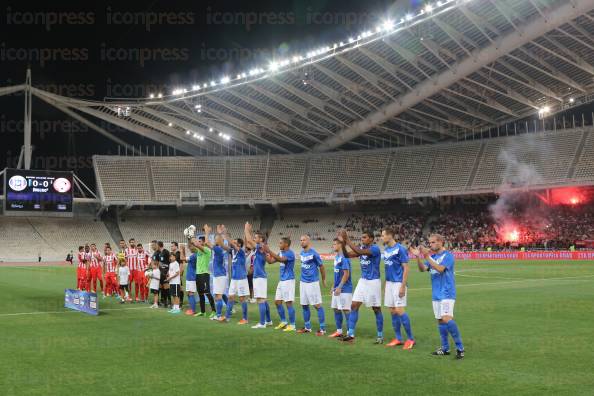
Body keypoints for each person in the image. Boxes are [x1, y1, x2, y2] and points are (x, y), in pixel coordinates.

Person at [411, 234, 465, 359]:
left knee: (447, 319)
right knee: (440, 320)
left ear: (441, 242)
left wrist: (426, 256)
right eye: (429, 243)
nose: (430, 245)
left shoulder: (448, 256)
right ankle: (445, 348)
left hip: (447, 292)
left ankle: (460, 347)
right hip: (436, 293)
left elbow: (440, 269)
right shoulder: (433, 256)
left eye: (433, 242)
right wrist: (418, 257)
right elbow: (422, 269)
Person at [338, 230, 384, 344]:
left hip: (373, 281)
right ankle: (351, 334)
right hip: (363, 281)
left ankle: (380, 336)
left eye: (364, 237)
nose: (362, 239)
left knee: (376, 309)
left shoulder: (375, 249)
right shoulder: (362, 247)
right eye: (362, 237)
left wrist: (347, 240)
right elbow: (347, 255)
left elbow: (359, 251)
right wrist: (343, 244)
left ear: (371, 239)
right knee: (354, 305)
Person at [381, 228, 415, 349]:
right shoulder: (386, 250)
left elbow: (406, 268)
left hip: (398, 283)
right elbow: (387, 269)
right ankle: (398, 338)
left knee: (400, 310)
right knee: (392, 310)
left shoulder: (400, 249)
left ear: (390, 236)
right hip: (390, 283)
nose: (381, 237)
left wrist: (402, 286)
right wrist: (385, 285)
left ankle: (411, 339)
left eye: (383, 235)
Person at [263, 237, 296, 331]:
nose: (279, 244)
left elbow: (281, 260)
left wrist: (269, 250)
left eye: (280, 243)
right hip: (282, 281)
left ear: (286, 244)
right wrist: (264, 252)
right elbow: (270, 261)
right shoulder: (281, 253)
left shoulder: (290, 253)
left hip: (288, 280)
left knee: (288, 303)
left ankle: (292, 325)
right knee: (277, 302)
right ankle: (284, 322)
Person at [296, 235, 326, 335]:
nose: (301, 242)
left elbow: (321, 266)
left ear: (308, 241)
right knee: (304, 305)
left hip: (312, 282)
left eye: (303, 240)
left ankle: (323, 329)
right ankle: (307, 327)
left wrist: (323, 279)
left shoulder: (314, 253)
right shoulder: (301, 253)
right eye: (300, 240)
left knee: (317, 305)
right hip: (303, 282)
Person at [244, 222, 272, 329]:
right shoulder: (259, 248)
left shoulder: (261, 246)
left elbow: (250, 241)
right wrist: (249, 232)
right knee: (263, 299)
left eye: (256, 237)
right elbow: (249, 242)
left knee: (260, 300)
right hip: (259, 276)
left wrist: (246, 229)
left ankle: (262, 323)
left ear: (261, 239)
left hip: (259, 277)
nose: (254, 239)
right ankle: (268, 320)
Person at [204, 225, 230, 321]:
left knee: (218, 296)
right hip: (219, 274)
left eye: (215, 239)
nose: (214, 241)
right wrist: (220, 233)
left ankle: (218, 315)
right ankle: (229, 309)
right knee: (221, 294)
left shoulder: (218, 249)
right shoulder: (220, 249)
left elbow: (206, 242)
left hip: (219, 275)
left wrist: (207, 232)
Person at [329, 238, 352, 339]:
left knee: (346, 310)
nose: (333, 246)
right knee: (336, 309)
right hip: (337, 288)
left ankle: (350, 333)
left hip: (345, 289)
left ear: (340, 245)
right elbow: (337, 273)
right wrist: (333, 286)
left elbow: (346, 274)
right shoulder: (337, 257)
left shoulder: (344, 258)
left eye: (334, 244)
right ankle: (339, 331)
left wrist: (339, 287)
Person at [226, 237, 250, 324]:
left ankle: (245, 318)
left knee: (242, 298)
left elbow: (232, 245)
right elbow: (224, 247)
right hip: (234, 279)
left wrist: (224, 234)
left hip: (241, 278)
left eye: (235, 242)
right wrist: (221, 237)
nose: (233, 243)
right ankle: (227, 317)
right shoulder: (233, 251)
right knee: (230, 297)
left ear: (239, 244)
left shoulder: (241, 251)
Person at [193, 234, 216, 317]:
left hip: (204, 274)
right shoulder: (198, 251)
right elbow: (192, 247)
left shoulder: (207, 250)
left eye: (200, 241)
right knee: (200, 294)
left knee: (207, 293)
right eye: (198, 241)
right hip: (198, 274)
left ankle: (214, 311)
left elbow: (196, 245)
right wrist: (189, 238)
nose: (198, 243)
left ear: (203, 242)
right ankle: (203, 312)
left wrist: (192, 236)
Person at [156, 241, 171, 308]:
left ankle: (169, 302)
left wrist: (169, 270)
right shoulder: (159, 253)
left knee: (166, 287)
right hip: (161, 272)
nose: (156, 247)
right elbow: (160, 262)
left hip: (165, 272)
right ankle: (164, 301)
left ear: (159, 245)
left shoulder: (166, 252)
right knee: (162, 288)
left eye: (156, 245)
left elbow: (170, 261)